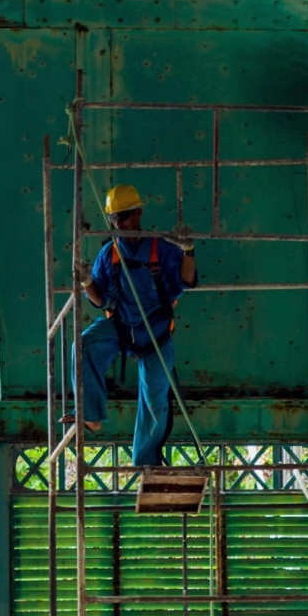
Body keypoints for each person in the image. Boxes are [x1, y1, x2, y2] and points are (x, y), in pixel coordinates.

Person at [65, 183, 198, 467]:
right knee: (84, 345)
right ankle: (90, 414)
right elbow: (101, 301)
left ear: (137, 213)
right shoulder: (110, 253)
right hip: (122, 327)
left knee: (154, 400)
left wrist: (188, 251)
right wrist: (87, 281)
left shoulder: (160, 248)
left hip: (156, 334)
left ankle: (146, 464)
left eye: (123, 217)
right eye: (114, 219)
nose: (118, 223)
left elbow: (187, 281)